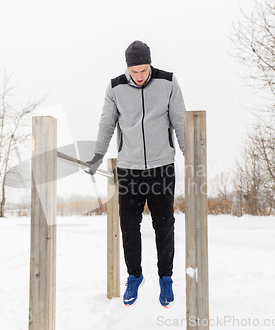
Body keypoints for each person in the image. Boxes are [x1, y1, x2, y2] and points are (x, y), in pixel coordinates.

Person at [86, 40, 186, 308]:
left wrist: (192, 155)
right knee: (129, 226)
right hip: (129, 168)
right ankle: (134, 275)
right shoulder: (115, 87)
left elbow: (180, 121)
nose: (139, 76)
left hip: (162, 166)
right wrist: (97, 155)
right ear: (127, 67)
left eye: (143, 70)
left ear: (150, 64)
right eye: (134, 71)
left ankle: (166, 278)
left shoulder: (168, 82)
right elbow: (106, 123)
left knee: (164, 225)